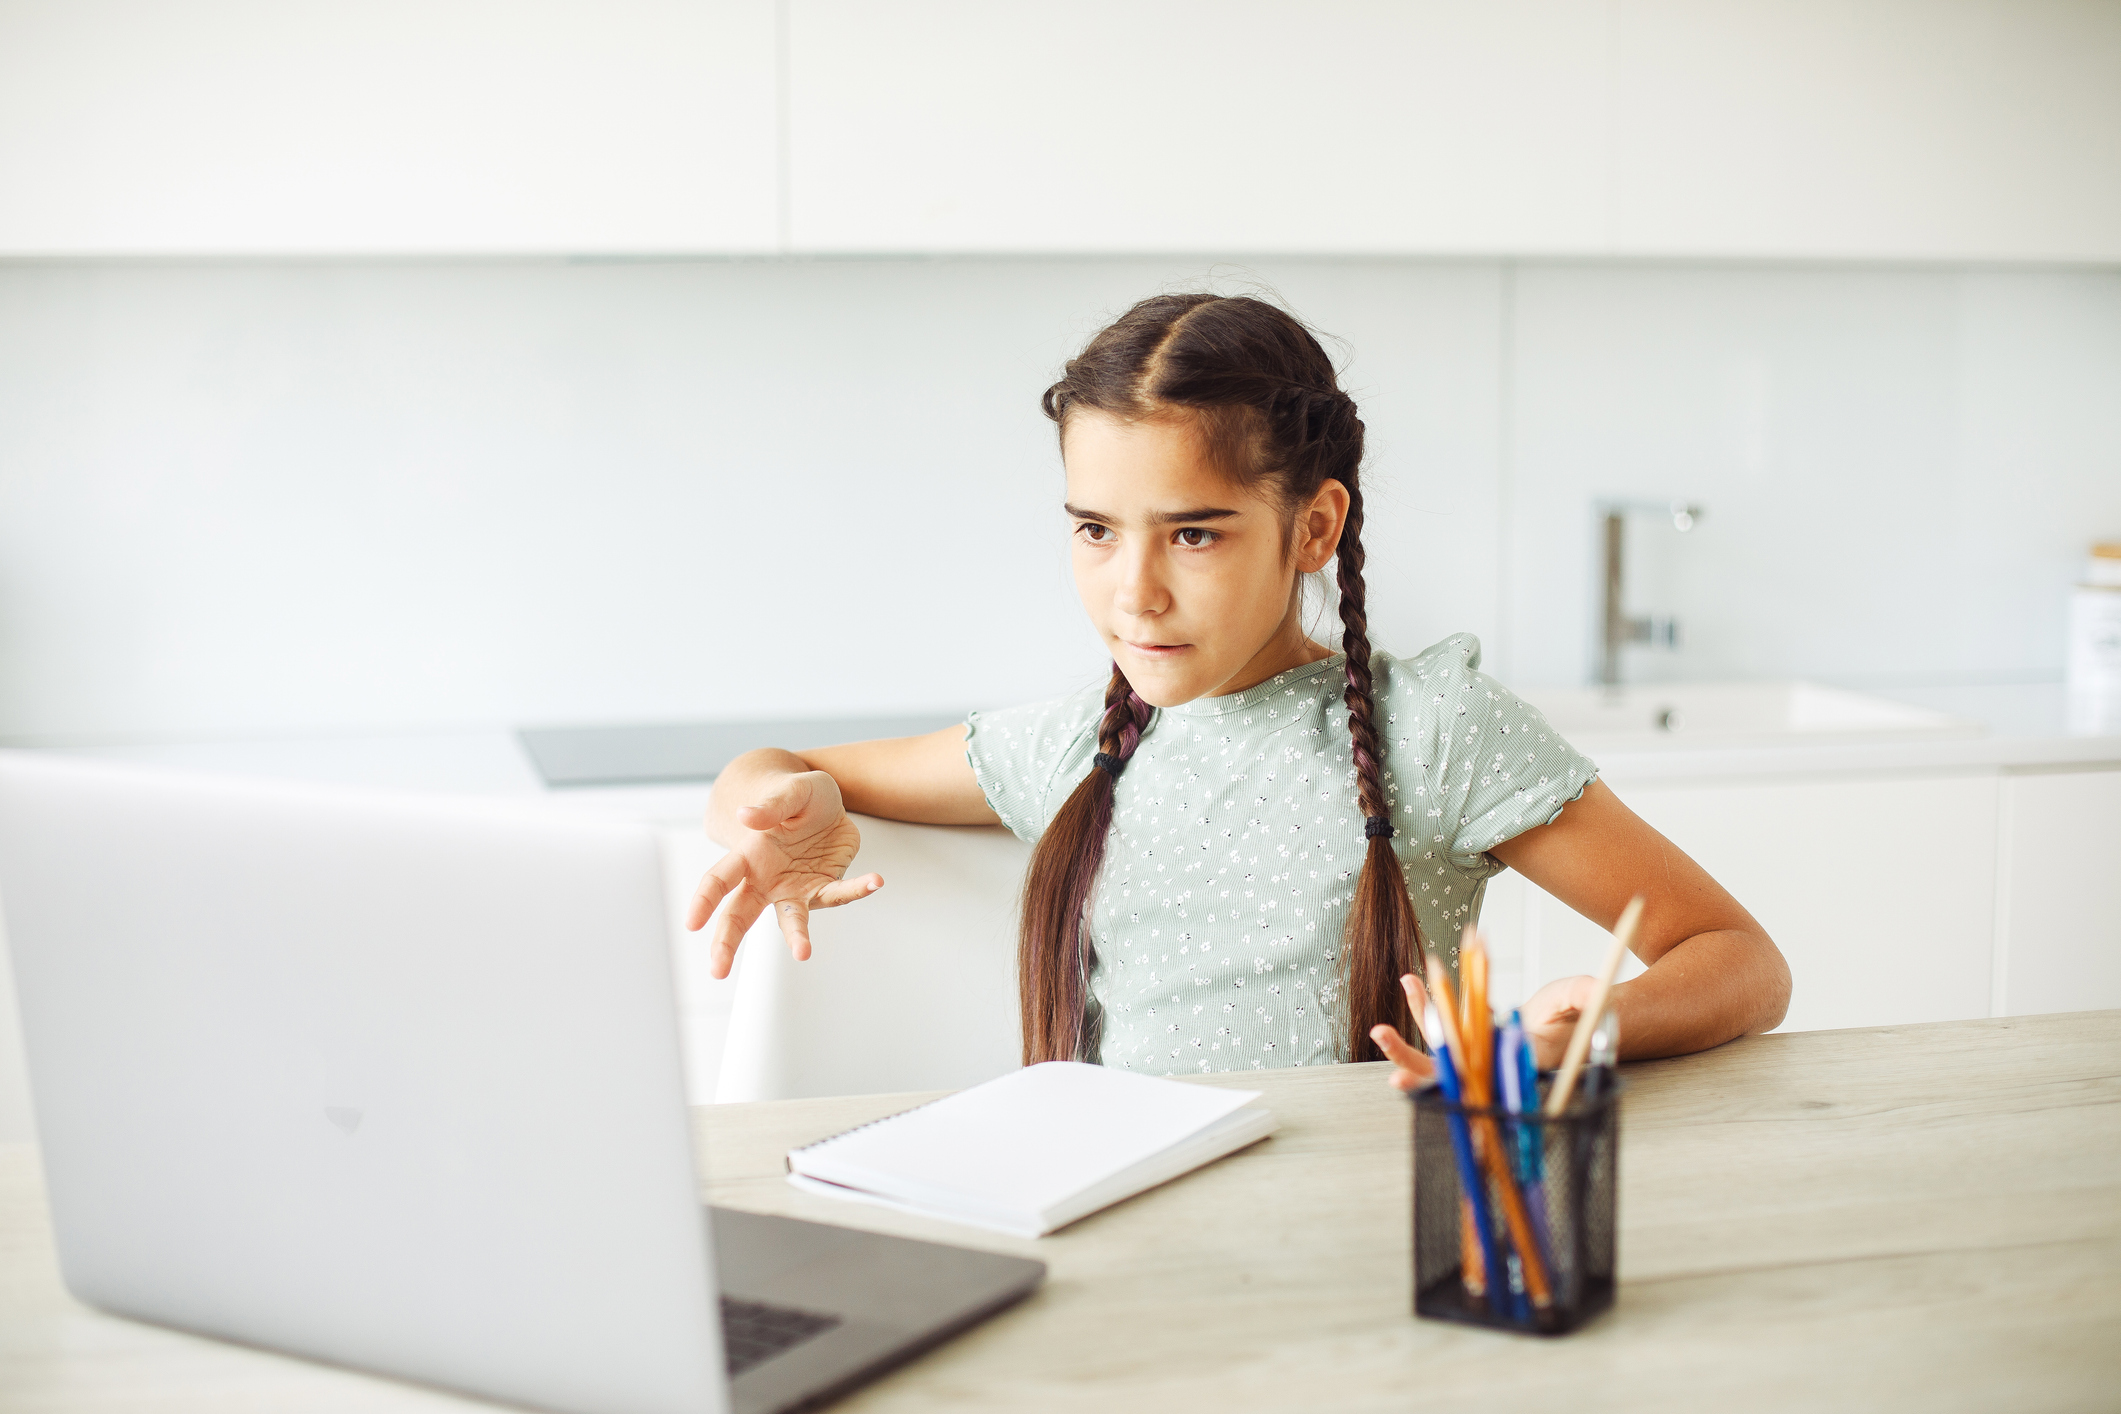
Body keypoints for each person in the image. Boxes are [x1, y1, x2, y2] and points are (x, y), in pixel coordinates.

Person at [686, 294, 1790, 1092]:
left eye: (1195, 533)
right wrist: (775, 809)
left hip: (1357, 1252)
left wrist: (1581, 1033)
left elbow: (1739, 960)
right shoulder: (1074, 746)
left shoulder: (1438, 733)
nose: (1136, 593)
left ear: (1313, 526)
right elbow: (787, 772)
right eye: (1095, 531)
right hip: (1122, 1245)